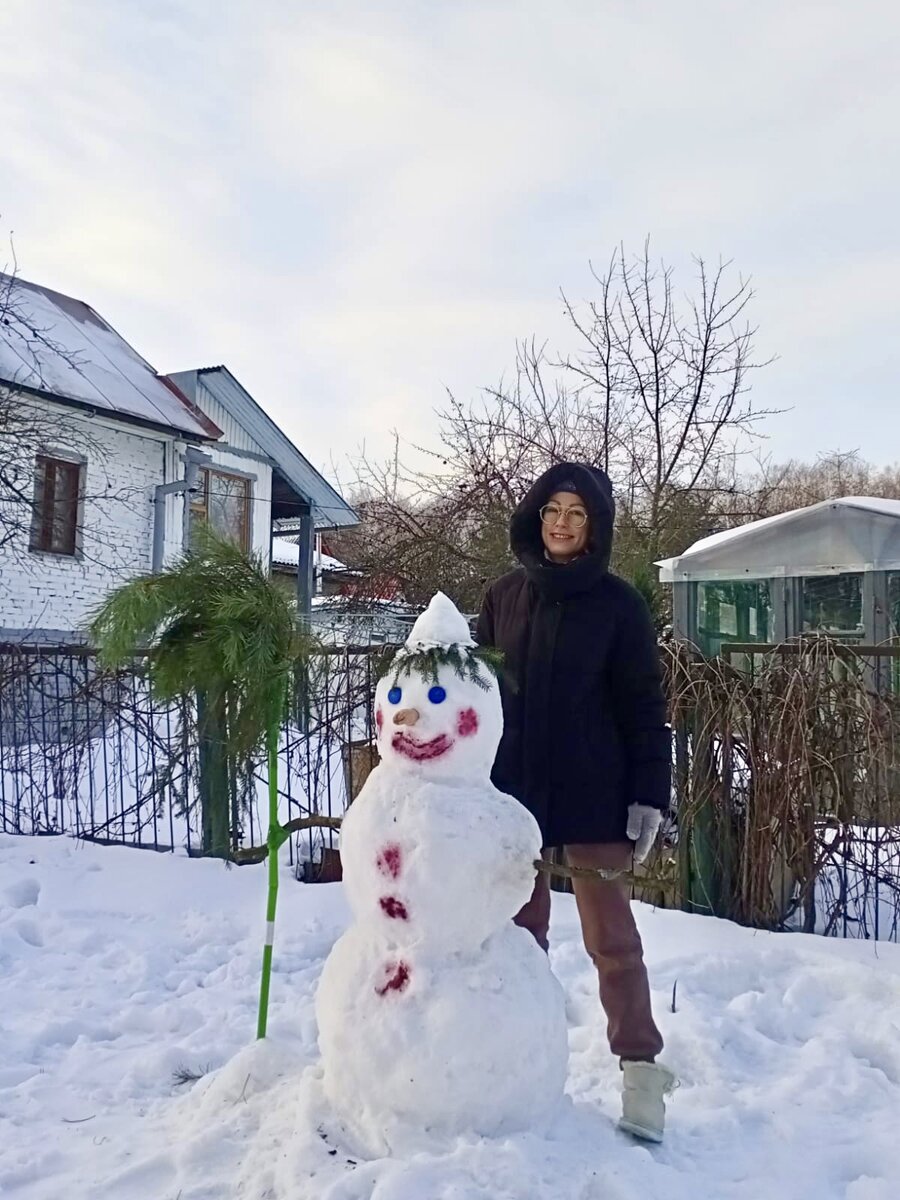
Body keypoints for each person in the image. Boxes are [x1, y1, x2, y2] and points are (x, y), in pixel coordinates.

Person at [475, 461, 676, 1143]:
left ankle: (642, 1074)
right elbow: (478, 700)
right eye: (553, 509)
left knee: (612, 940)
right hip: (516, 797)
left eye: (577, 513)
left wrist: (649, 793)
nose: (561, 523)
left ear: (595, 526)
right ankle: (513, 1060)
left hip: (596, 795)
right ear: (536, 515)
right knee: (517, 935)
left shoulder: (619, 605)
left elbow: (643, 704)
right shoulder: (503, 597)